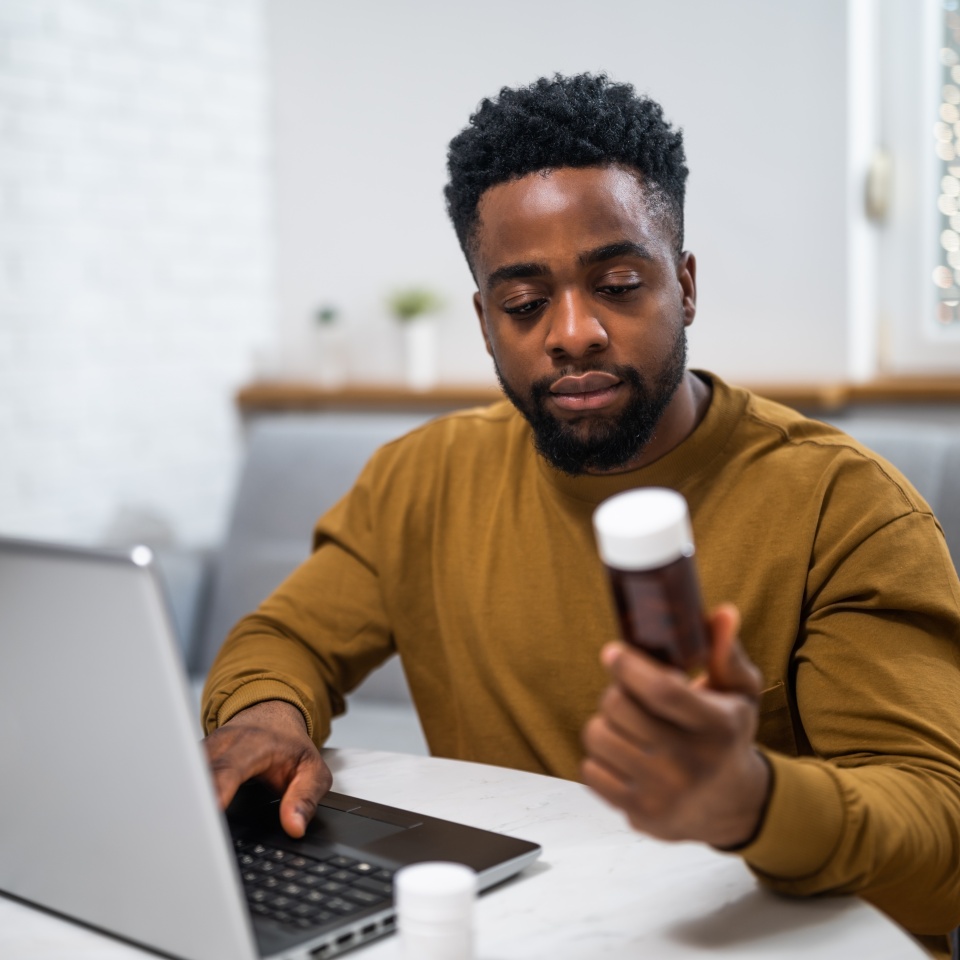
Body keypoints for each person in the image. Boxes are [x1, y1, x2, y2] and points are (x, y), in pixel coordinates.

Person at [202, 74, 960, 956]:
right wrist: (264, 714)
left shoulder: (843, 506)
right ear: (486, 324)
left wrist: (753, 798)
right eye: (525, 305)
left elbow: (938, 843)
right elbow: (284, 638)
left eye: (620, 282)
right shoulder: (421, 480)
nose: (573, 332)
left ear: (684, 285)